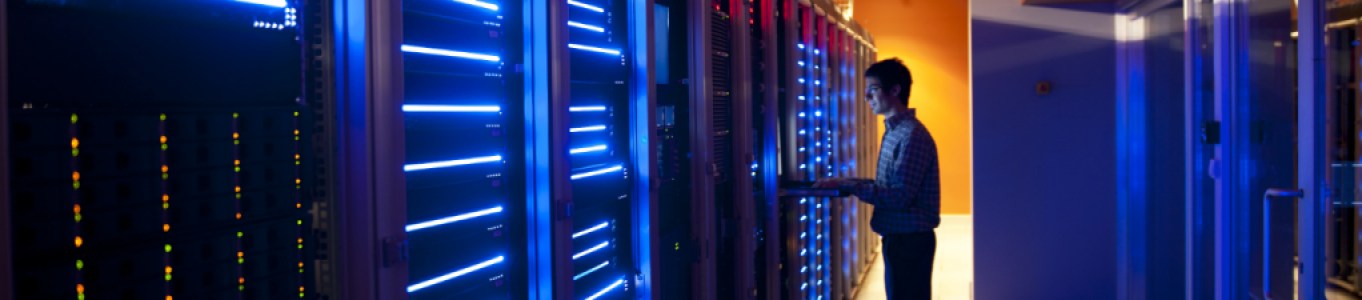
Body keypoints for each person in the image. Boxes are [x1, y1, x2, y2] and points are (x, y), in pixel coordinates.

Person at [815, 58, 940, 300]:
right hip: (901, 239)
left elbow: (900, 197)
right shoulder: (895, 132)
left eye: (872, 91)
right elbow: (889, 187)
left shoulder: (912, 136)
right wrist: (844, 181)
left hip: (910, 242)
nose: (867, 98)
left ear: (895, 90)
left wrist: (850, 186)